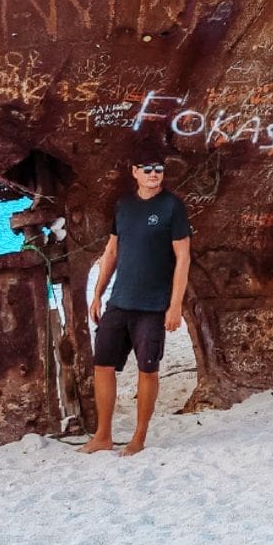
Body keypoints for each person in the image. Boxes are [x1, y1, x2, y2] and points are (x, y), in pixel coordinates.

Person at [83, 152, 192, 456]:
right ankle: (103, 434)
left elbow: (183, 257)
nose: (154, 173)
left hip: (153, 305)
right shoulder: (124, 206)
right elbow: (112, 250)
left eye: (158, 169)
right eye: (148, 168)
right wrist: (97, 293)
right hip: (120, 301)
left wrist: (175, 305)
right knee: (102, 365)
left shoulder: (172, 206)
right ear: (135, 172)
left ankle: (138, 437)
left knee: (148, 369)